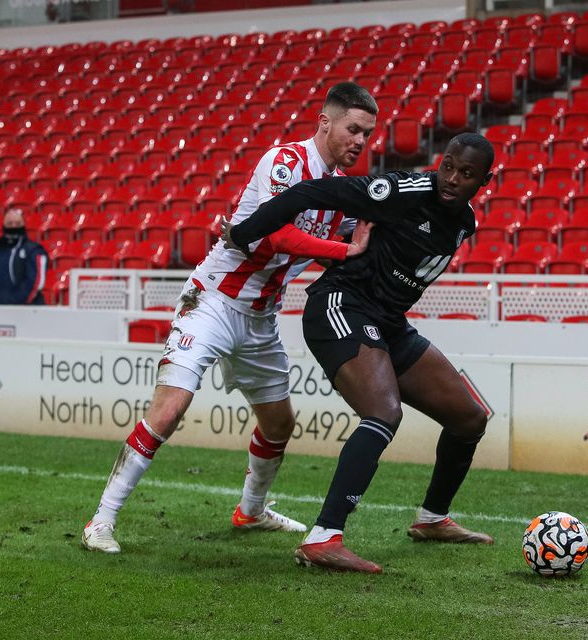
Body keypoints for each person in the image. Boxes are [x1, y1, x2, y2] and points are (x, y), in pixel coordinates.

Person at [81, 82, 379, 554]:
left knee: (279, 425)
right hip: (213, 302)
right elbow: (278, 234)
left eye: (368, 134)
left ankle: (251, 511)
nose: (361, 142)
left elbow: (350, 243)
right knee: (170, 410)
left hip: (261, 318)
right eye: (353, 129)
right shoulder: (285, 162)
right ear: (325, 122)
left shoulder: (341, 192)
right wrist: (345, 249)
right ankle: (101, 520)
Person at [227, 132, 497, 573]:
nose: (451, 179)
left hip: (387, 322)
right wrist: (245, 232)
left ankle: (432, 519)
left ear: (484, 181)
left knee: (470, 418)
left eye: (466, 174)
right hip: (341, 304)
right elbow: (315, 191)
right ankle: (323, 538)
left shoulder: (464, 221)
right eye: (447, 165)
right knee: (384, 413)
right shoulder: (401, 191)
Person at [0, 207, 49, 305]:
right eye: (9, 223)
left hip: (17, 314)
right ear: (3, 225)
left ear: (24, 225)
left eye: (17, 223)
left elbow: (35, 283)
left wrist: (13, 303)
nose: (13, 226)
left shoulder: (33, 250)